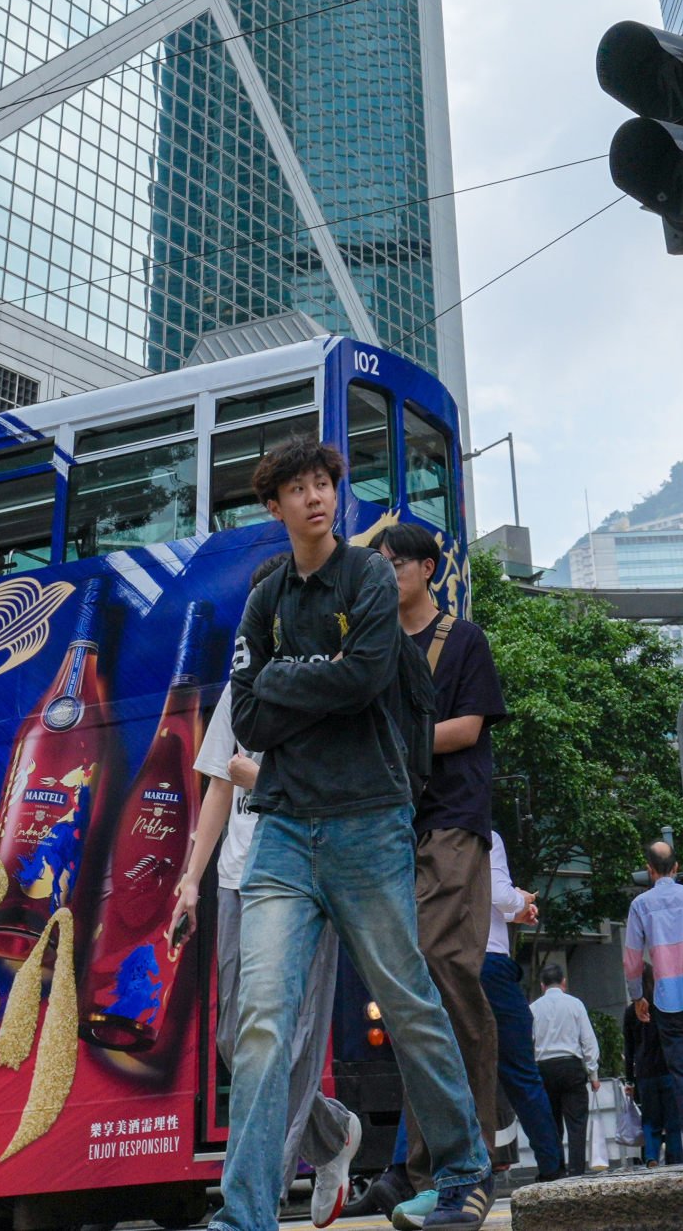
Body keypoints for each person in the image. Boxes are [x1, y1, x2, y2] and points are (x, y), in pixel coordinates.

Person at [210, 437, 488, 1231]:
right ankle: (245, 1216)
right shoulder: (264, 601)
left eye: (323, 484)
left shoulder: (368, 575)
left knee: (406, 1002)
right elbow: (250, 717)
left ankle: (465, 1170)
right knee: (261, 1022)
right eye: (296, 489)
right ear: (274, 508)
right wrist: (312, 677)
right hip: (283, 832)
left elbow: (366, 674)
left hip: (369, 821)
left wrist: (284, 678)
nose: (315, 498)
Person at [168, 676, 363, 1228]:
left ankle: (255, 1206)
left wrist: (267, 778)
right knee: (237, 1038)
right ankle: (330, 1135)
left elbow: (342, 785)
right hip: (236, 880)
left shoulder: (332, 680)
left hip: (307, 874)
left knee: (290, 1040)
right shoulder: (241, 688)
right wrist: (191, 882)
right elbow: (219, 788)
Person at [378, 523, 506, 1204]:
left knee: (442, 968)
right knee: (412, 991)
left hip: (452, 822)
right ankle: (432, 1169)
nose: (387, 572)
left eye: (397, 562)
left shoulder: (462, 640)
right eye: (380, 564)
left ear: (427, 568)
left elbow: (467, 728)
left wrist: (390, 743)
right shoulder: (374, 645)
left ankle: (471, 1153)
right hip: (390, 829)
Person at [620, 842, 683, 1165]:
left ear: (650, 870)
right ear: (676, 868)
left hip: (665, 1000)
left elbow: (633, 960)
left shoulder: (640, 905)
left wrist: (638, 996)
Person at [474, 834, 562, 1186]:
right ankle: (552, 1164)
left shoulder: (426, 835)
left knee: (448, 1069)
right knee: (521, 1073)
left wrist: (514, 911)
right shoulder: (485, 836)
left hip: (446, 961)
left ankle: (410, 1171)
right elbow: (497, 894)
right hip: (490, 963)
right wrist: (520, 898)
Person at [528, 958, 598, 1178]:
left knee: (550, 1122)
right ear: (564, 982)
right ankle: (577, 1170)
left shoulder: (533, 1009)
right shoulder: (575, 1004)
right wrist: (593, 1072)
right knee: (576, 1122)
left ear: (542, 985)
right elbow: (588, 1040)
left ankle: (555, 1168)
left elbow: (527, 1042)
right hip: (571, 1066)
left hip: (544, 1068)